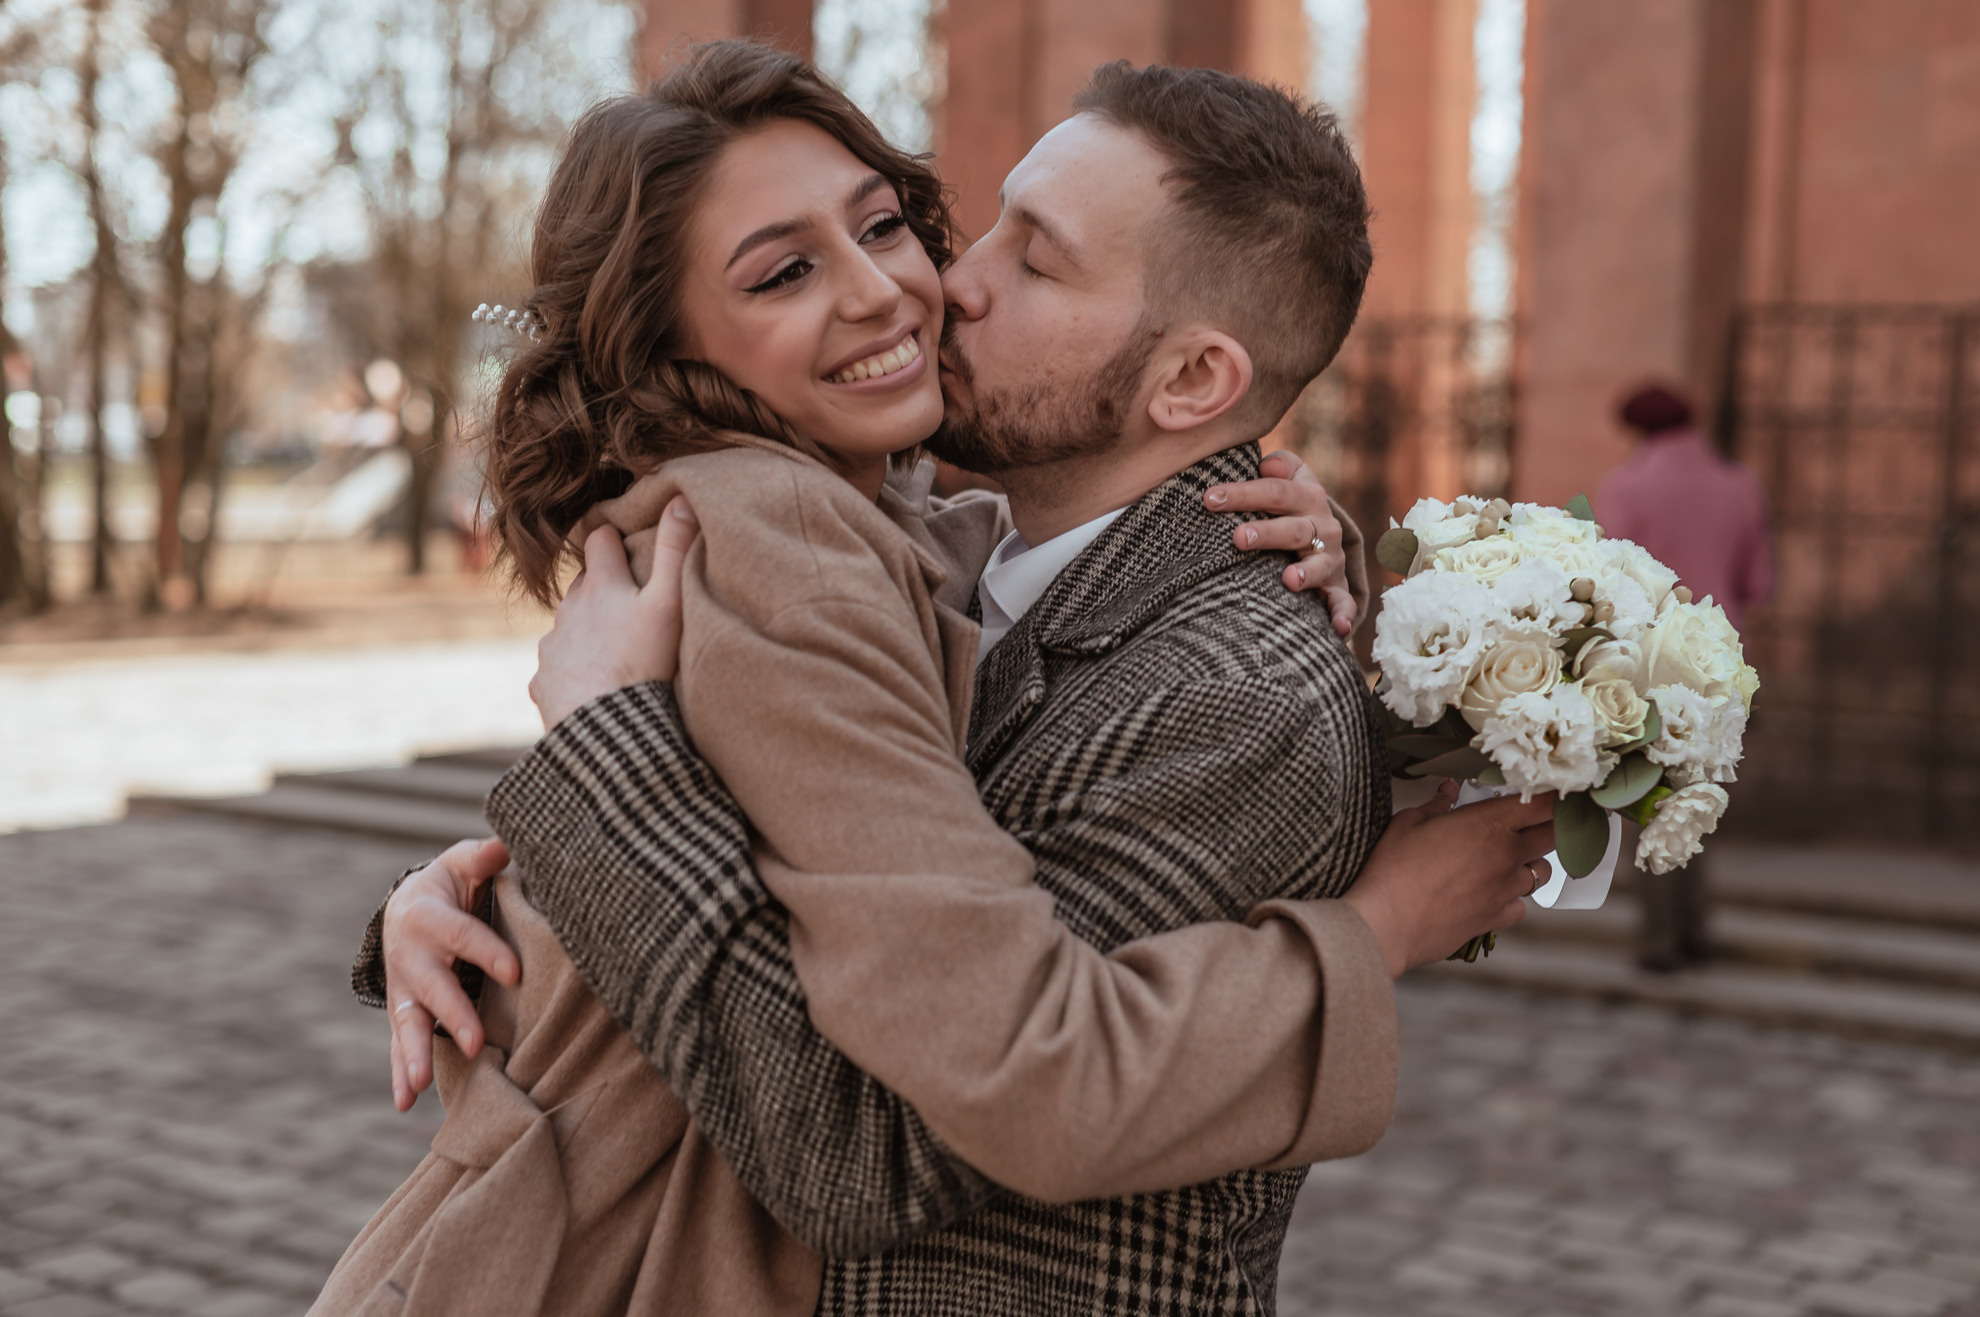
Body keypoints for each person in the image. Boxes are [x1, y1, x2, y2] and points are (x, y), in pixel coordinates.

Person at [330, 45, 1556, 1316]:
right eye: (984, 225)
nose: (939, 285)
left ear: (1195, 381)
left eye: (1028, 255)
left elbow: (885, 1138)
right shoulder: (839, 543)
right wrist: (474, 889)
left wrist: (595, 770)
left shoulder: (1203, 671)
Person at [1599, 381, 1775, 971]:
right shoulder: (1739, 486)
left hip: (1652, 669)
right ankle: (1695, 926)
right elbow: (1759, 584)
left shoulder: (1627, 487)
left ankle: (1661, 937)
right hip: (1724, 666)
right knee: (1702, 796)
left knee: (1648, 802)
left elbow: (1612, 585)